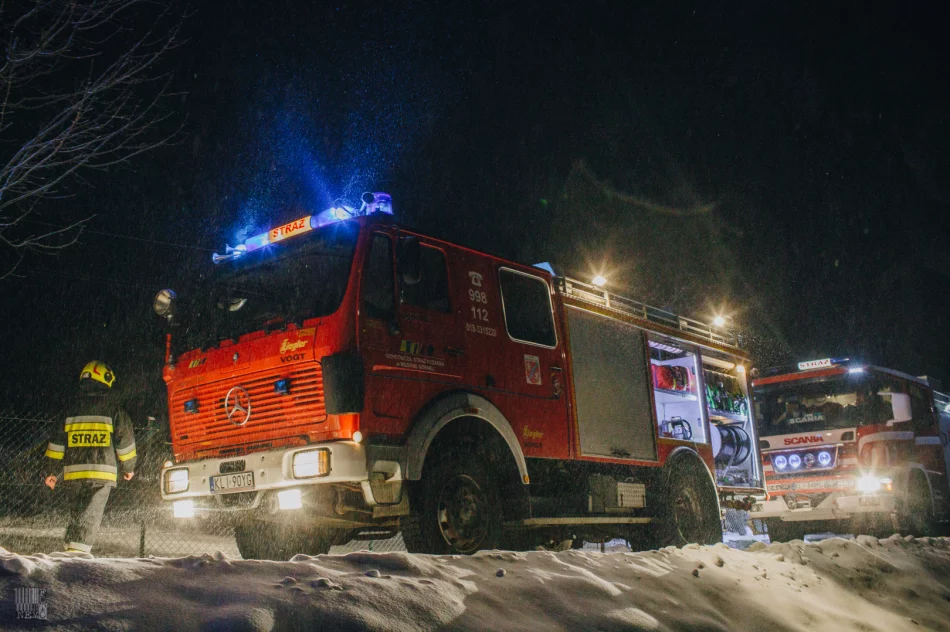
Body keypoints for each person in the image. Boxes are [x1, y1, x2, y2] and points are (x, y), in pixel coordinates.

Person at [43, 361, 137, 554]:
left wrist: (52, 471)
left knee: (77, 514)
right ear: (106, 379)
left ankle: (69, 550)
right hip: (101, 474)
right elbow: (125, 442)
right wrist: (129, 467)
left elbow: (56, 443)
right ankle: (77, 561)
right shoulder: (114, 409)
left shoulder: (69, 409)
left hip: (72, 474)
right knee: (90, 517)